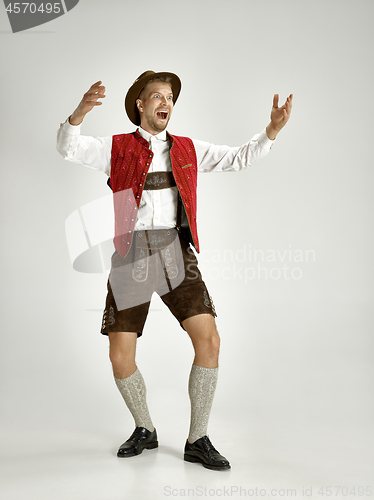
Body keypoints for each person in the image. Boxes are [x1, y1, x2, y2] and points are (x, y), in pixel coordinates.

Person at [56, 70, 293, 471]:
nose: (165, 102)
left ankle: (197, 439)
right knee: (119, 356)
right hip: (130, 255)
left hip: (174, 252)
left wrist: (270, 132)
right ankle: (145, 428)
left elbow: (238, 158)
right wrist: (79, 113)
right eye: (157, 96)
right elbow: (68, 147)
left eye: (170, 96)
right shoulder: (116, 147)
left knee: (210, 340)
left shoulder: (186, 147)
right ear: (140, 104)